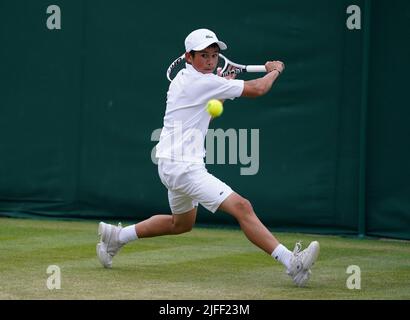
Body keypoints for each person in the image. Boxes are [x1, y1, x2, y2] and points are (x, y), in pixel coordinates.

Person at [97, 28, 320, 287]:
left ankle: (117, 237)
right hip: (183, 168)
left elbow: (207, 113)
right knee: (242, 206)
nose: (211, 61)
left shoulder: (184, 78)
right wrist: (275, 70)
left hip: (172, 165)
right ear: (188, 57)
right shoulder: (203, 82)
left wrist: (221, 91)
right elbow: (258, 89)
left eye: (214, 55)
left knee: (181, 224)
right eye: (204, 55)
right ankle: (292, 262)